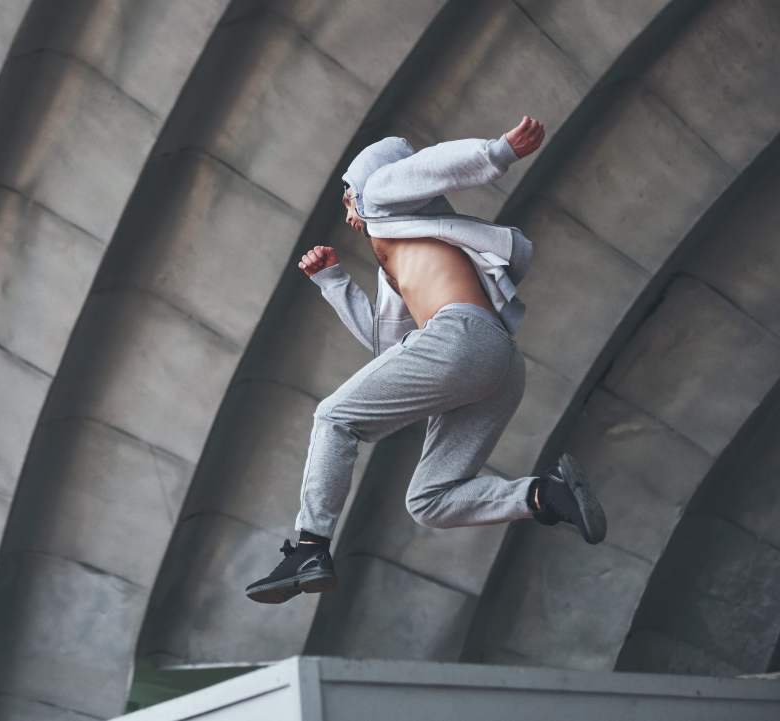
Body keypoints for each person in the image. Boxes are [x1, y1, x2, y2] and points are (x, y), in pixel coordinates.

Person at [246, 117, 606, 604]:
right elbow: (388, 347)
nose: (348, 211)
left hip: (462, 337)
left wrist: (497, 153)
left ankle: (310, 548)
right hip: (496, 363)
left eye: (347, 195)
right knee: (429, 500)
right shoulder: (402, 253)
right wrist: (333, 282)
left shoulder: (380, 193)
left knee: (333, 417)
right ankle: (544, 495)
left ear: (363, 185)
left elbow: (431, 167)